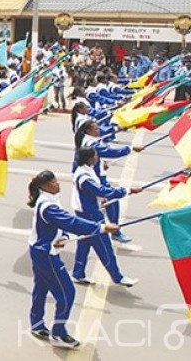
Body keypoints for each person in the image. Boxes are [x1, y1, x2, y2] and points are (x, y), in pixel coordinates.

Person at [27, 170, 119, 349]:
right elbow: (71, 222)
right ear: (44, 186)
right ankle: (59, 333)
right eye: (53, 182)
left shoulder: (47, 199)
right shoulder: (48, 205)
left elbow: (60, 225)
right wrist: (101, 228)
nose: (57, 183)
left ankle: (37, 323)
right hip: (46, 254)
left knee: (41, 287)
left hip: (39, 250)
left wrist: (62, 236)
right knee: (67, 293)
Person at [70, 147, 140, 287]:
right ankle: (117, 277)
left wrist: (101, 198)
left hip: (85, 211)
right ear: (90, 159)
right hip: (90, 214)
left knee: (84, 244)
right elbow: (100, 190)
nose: (97, 157)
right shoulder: (84, 176)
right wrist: (126, 190)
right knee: (104, 246)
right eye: (96, 155)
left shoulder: (86, 170)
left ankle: (78, 273)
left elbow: (96, 192)